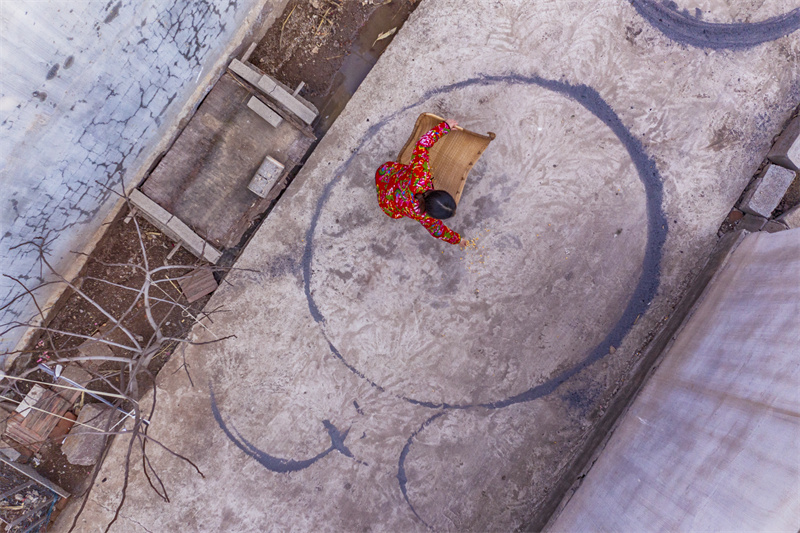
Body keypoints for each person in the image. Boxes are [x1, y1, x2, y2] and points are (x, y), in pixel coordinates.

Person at [375, 119, 464, 245]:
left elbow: (422, 145)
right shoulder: (425, 217)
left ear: (438, 191)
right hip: (388, 207)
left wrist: (445, 127)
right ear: (433, 215)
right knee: (397, 211)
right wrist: (458, 240)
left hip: (385, 175)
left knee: (398, 172)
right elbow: (439, 231)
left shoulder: (420, 175)